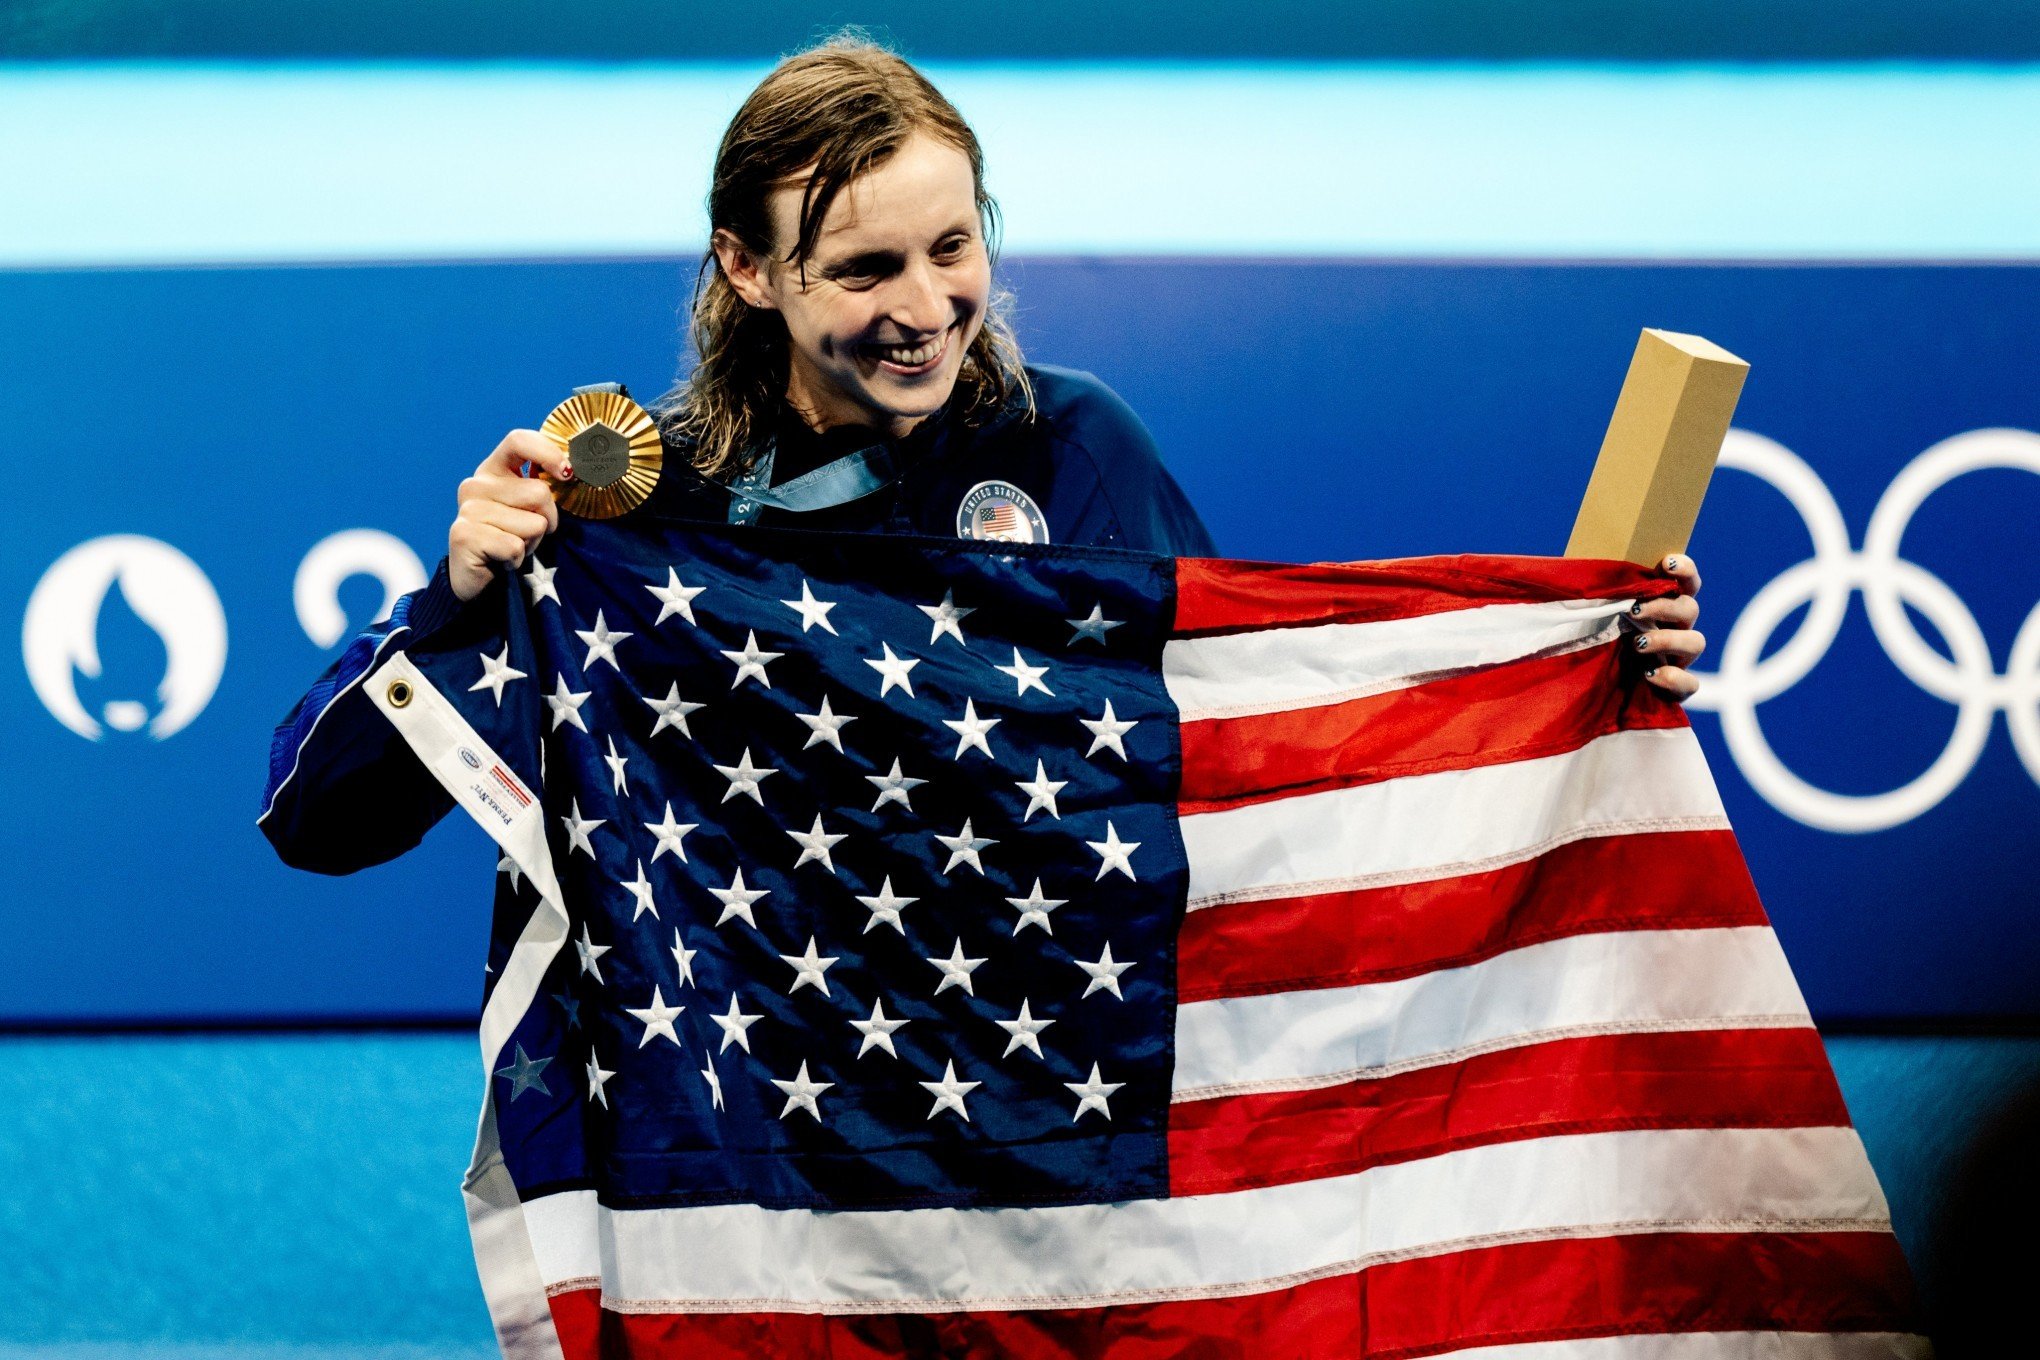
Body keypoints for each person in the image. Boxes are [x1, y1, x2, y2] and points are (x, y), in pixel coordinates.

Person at [258, 32, 1704, 873]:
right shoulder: (637, 502)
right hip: (733, 1147)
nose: (926, 308)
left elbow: (1257, 735)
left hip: (1013, 1115)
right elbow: (319, 826)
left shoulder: (1072, 447)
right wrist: (457, 598)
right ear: (750, 273)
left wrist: (1568, 675)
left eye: (953, 249)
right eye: (866, 267)